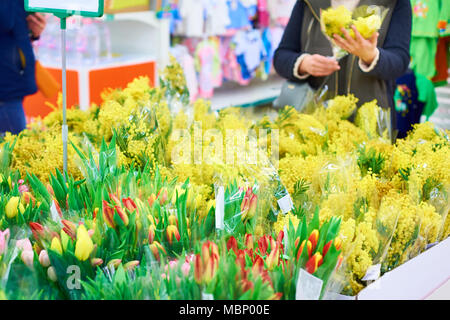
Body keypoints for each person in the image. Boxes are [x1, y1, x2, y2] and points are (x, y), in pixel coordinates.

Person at [273, 0, 412, 128]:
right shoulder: (308, 2)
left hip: (370, 128)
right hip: (313, 127)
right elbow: (281, 57)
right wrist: (303, 64)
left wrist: (371, 56)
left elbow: (400, 62)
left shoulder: (394, 2)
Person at [0, 1, 46, 135]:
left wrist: (32, 31)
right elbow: (6, 19)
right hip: (6, 89)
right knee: (15, 147)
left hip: (11, 80)